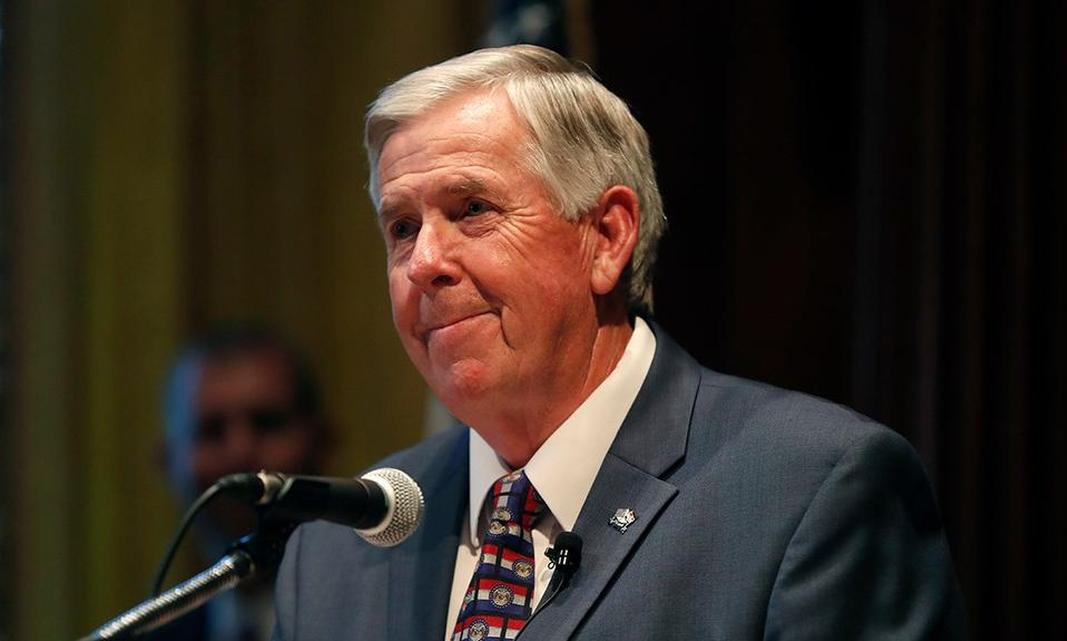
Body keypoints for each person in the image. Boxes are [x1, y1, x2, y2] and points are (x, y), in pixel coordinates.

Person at [272, 45, 964, 640]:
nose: (424, 261)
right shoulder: (334, 552)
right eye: (400, 228)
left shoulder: (810, 491)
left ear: (605, 237)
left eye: (472, 209)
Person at [151, 324, 331, 641]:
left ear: (321, 442)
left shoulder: (382, 618)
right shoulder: (152, 634)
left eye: (267, 423)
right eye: (211, 430)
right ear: (169, 462)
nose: (240, 452)